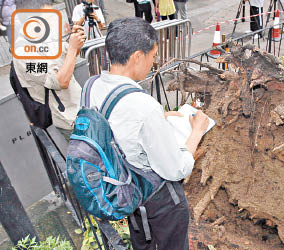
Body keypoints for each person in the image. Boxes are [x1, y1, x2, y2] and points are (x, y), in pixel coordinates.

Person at [88, 17, 209, 249]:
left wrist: (159, 119)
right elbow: (177, 169)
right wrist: (197, 132)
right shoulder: (143, 107)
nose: (153, 63)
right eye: (153, 56)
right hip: (158, 202)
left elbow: (111, 125)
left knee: (142, 242)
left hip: (123, 190)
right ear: (137, 56)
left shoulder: (92, 86)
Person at [12, 0, 86, 140]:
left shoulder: (43, 36)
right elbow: (61, 82)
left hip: (77, 106)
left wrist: (76, 41)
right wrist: (72, 48)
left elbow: (70, 55)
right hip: (67, 118)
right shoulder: (23, 53)